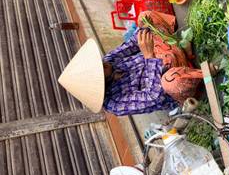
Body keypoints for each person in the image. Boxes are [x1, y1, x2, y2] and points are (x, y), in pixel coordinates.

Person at [58, 11, 209, 116]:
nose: (102, 62)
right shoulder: (115, 104)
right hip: (169, 82)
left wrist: (142, 33)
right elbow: (154, 96)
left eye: (98, 62)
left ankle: (183, 53)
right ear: (99, 83)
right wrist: (149, 56)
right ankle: (200, 73)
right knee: (172, 81)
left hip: (163, 55)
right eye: (99, 69)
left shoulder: (107, 61)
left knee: (145, 18)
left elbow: (131, 43)